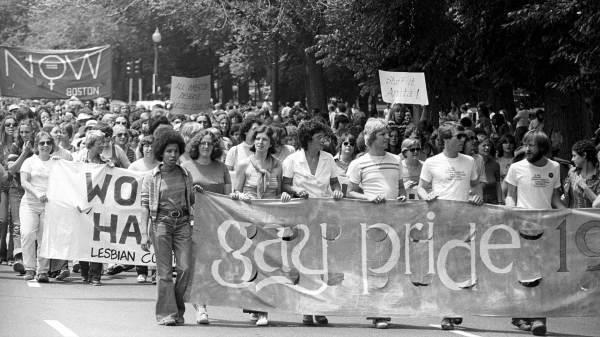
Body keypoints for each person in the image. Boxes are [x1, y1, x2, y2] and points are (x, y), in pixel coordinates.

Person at [417, 121, 483, 331]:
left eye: (464, 137)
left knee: (459, 266)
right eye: (458, 137)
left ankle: (455, 308)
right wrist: (426, 195)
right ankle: (446, 311)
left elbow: (476, 185)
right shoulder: (431, 162)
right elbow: (421, 187)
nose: (463, 140)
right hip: (439, 221)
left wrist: (478, 197)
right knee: (442, 266)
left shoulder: (470, 161)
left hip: (463, 221)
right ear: (445, 140)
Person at [346, 118, 407, 329]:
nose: (388, 137)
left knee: (390, 264)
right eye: (383, 134)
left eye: (388, 134)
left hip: (394, 221)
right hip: (370, 222)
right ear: (371, 138)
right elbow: (350, 192)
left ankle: (385, 309)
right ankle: (376, 311)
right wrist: (368, 198)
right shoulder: (358, 163)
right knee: (374, 264)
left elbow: (401, 188)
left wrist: (403, 198)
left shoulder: (396, 160)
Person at [281, 119, 343, 325]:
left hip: (322, 215)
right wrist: (296, 191)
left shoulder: (328, 159)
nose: (323, 141)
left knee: (322, 261)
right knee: (303, 262)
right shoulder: (292, 160)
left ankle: (320, 307)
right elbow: (285, 185)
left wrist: (337, 190)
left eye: (324, 137)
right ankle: (306, 309)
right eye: (319, 138)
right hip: (300, 216)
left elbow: (335, 182)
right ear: (308, 140)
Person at [504, 130, 565, 336]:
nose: (527, 149)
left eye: (532, 145)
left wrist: (568, 212)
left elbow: (555, 198)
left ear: (543, 147)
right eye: (525, 144)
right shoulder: (516, 168)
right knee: (526, 274)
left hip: (546, 228)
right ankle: (526, 314)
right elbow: (510, 196)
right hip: (522, 228)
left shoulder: (554, 167)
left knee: (543, 274)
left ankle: (538, 317)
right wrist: (511, 210)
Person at [230, 125, 290, 326]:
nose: (260, 142)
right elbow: (234, 193)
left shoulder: (278, 165)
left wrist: (284, 195)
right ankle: (253, 307)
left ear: (271, 143)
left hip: (270, 221)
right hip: (249, 220)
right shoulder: (243, 165)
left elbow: (279, 191)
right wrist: (241, 195)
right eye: (257, 139)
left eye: (265, 139)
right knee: (251, 265)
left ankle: (263, 310)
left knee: (267, 264)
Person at [140, 129, 194, 326]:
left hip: (183, 224)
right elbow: (144, 207)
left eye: (176, 151)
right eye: (169, 151)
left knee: (186, 268)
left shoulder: (186, 174)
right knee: (164, 273)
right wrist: (143, 235)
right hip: (161, 224)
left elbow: (193, 200)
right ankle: (166, 314)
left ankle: (178, 309)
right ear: (161, 152)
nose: (173, 155)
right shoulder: (150, 177)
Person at [182, 129, 231, 325]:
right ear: (196, 145)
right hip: (194, 223)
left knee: (214, 267)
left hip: (218, 225)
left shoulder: (222, 168)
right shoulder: (186, 167)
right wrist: (193, 195)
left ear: (215, 147)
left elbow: (228, 198)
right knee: (197, 267)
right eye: (202, 143)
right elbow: (179, 196)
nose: (205, 146)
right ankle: (200, 307)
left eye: (210, 144)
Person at [75, 130, 113, 286]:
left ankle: (95, 274)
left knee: (98, 239)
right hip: (81, 205)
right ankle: (85, 272)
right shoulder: (78, 159)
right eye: (100, 143)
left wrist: (112, 168)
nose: (103, 146)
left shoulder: (105, 162)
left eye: (104, 142)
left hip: (99, 206)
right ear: (91, 145)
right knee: (83, 239)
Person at [19, 131, 57, 282]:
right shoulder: (29, 161)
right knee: (27, 233)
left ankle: (42, 271)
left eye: (48, 142)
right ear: (36, 145)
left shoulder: (56, 162)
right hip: (30, 203)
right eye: (42, 143)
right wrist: (37, 193)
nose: (45, 145)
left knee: (44, 238)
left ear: (52, 145)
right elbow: (24, 182)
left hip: (49, 205)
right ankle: (29, 268)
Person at [128, 135, 159, 284]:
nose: (149, 148)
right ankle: (141, 271)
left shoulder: (161, 165)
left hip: (157, 207)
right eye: (146, 145)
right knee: (141, 236)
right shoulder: (134, 166)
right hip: (138, 206)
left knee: (156, 238)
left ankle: (154, 270)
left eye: (152, 145)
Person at [562, 140, 600, 208]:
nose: (572, 159)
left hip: (592, 218)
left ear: (584, 155)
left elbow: (598, 205)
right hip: (573, 217)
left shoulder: (598, 177)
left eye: (574, 156)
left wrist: (585, 187)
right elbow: (566, 199)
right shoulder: (572, 173)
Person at [478, 138, 502, 204]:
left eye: (488, 145)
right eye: (484, 145)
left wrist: (500, 202)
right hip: (476, 203)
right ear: (477, 147)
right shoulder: (472, 162)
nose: (487, 147)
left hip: (493, 203)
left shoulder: (495, 164)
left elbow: (498, 184)